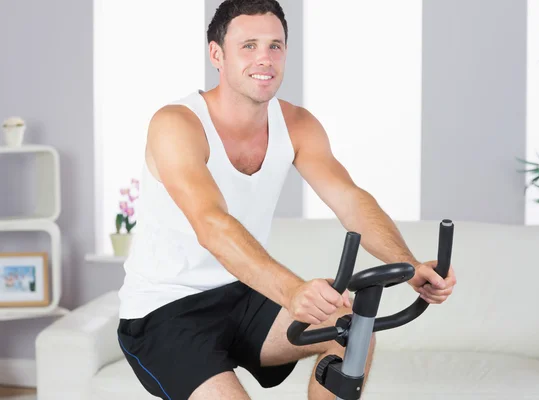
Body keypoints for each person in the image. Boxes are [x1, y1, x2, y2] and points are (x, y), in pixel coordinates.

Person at [116, 0, 457, 399]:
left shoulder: (296, 124)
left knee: (352, 332)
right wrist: (293, 290)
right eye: (249, 45)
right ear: (216, 54)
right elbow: (210, 224)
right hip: (165, 310)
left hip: (239, 292)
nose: (264, 58)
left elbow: (350, 200)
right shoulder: (177, 124)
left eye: (275, 46)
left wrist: (410, 264)